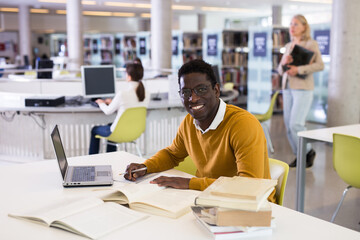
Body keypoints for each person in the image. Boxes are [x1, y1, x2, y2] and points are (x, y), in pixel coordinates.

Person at [124, 59, 275, 203]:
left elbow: (248, 186)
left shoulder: (242, 124)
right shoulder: (189, 123)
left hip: (250, 206)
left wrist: (190, 183)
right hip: (208, 199)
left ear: (216, 90)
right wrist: (145, 167)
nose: (193, 98)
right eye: (186, 92)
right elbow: (172, 155)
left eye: (201, 89)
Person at [277, 14, 324, 168]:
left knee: (295, 124)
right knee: (287, 124)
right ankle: (300, 155)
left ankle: (308, 152)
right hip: (288, 87)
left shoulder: (311, 44)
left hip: (303, 88)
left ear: (304, 26)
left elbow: (319, 65)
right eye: (291, 24)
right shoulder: (290, 45)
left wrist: (299, 69)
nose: (292, 27)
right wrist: (284, 62)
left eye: (296, 24)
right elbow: (279, 71)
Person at [89, 63, 149, 154]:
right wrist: (114, 102)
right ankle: (111, 157)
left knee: (94, 130)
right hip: (135, 132)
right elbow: (128, 108)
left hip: (117, 133)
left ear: (129, 77)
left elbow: (108, 111)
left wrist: (101, 103)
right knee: (111, 124)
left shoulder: (122, 94)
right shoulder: (146, 94)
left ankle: (91, 161)